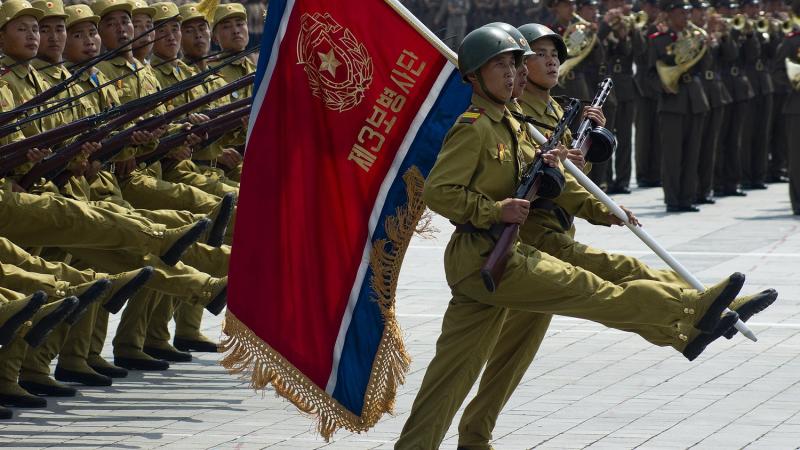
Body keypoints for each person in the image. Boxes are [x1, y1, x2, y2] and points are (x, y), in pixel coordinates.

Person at [394, 25, 752, 450]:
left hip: (498, 259)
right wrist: (494, 209)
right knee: (595, 290)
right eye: (500, 65)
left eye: (513, 64)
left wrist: (597, 202)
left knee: (452, 374)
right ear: (473, 75)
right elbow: (440, 191)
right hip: (487, 255)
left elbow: (549, 181)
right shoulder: (474, 127)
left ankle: (437, 444)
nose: (512, 74)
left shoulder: (509, 121)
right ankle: (691, 310)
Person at [649, 0, 709, 212]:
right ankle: (673, 200)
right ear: (669, 15)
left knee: (692, 154)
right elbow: (648, 75)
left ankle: (687, 198)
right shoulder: (658, 40)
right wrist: (663, 86)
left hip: (695, 100)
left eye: (687, 12)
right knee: (673, 155)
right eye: (680, 13)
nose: (686, 16)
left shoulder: (696, 37)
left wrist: (706, 45)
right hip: (672, 102)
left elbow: (706, 66)